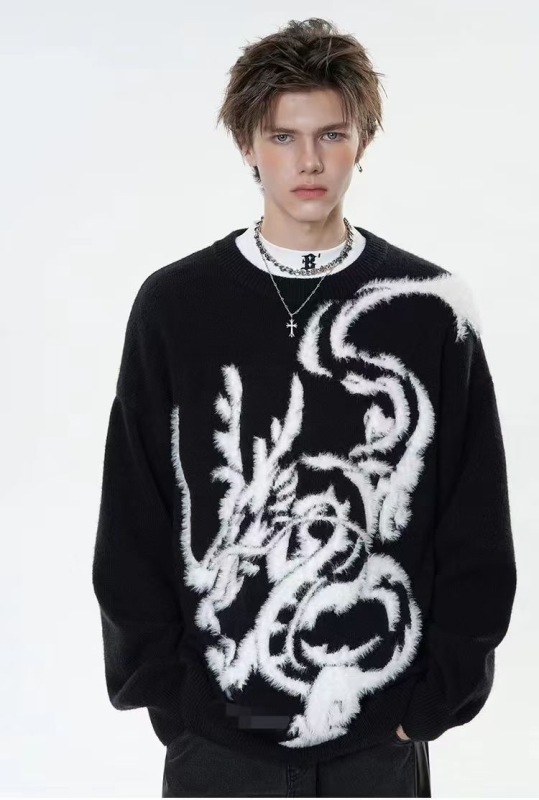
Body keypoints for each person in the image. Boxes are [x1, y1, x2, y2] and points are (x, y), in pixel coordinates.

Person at [92, 17, 517, 798]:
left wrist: (428, 703)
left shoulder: (429, 308)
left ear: (362, 142)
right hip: (217, 740)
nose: (308, 161)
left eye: (331, 134)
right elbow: (133, 509)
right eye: (283, 137)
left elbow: (474, 516)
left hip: (377, 741)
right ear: (247, 145)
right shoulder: (175, 306)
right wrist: (170, 696)